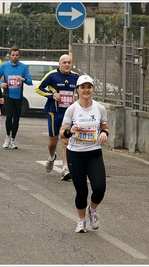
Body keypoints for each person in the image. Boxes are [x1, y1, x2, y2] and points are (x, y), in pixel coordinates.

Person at [59, 74, 110, 233]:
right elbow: (61, 133)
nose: (86, 90)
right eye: (83, 87)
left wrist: (104, 134)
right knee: (82, 191)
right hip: (75, 154)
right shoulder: (72, 109)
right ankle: (81, 221)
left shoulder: (100, 108)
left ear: (92, 89)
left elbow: (105, 127)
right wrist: (69, 131)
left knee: (100, 188)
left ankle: (92, 210)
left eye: (89, 87)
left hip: (94, 153)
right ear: (78, 90)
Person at [35, 54, 79, 181]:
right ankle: (51, 156)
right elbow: (39, 88)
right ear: (59, 64)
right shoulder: (52, 75)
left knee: (66, 140)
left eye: (69, 62)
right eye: (64, 62)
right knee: (53, 140)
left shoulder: (75, 77)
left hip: (69, 113)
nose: (66, 64)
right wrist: (52, 95)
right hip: (54, 112)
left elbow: (80, 91)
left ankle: (65, 169)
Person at [0, 46, 32, 149]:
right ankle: (7, 137)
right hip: (8, 95)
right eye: (13, 55)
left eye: (17, 55)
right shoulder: (4, 66)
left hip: (18, 96)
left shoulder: (23, 67)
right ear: (10, 55)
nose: (15, 57)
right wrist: (1, 84)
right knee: (9, 116)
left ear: (19, 56)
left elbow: (30, 81)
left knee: (16, 119)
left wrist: (23, 79)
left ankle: (13, 139)